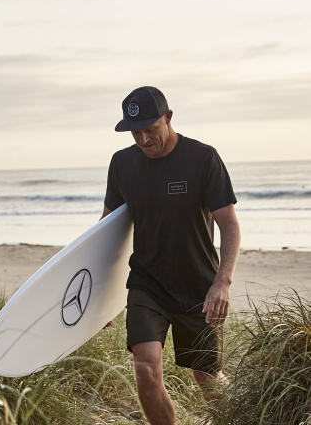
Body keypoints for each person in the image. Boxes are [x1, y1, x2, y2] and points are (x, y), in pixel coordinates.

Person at [102, 86, 240, 425]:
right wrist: (98, 299)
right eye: (136, 133)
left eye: (151, 129)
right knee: (145, 370)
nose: (144, 139)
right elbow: (106, 233)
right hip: (147, 284)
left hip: (198, 287)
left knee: (206, 376)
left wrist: (222, 283)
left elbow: (229, 225)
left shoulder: (203, 158)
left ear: (168, 117)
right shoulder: (122, 164)